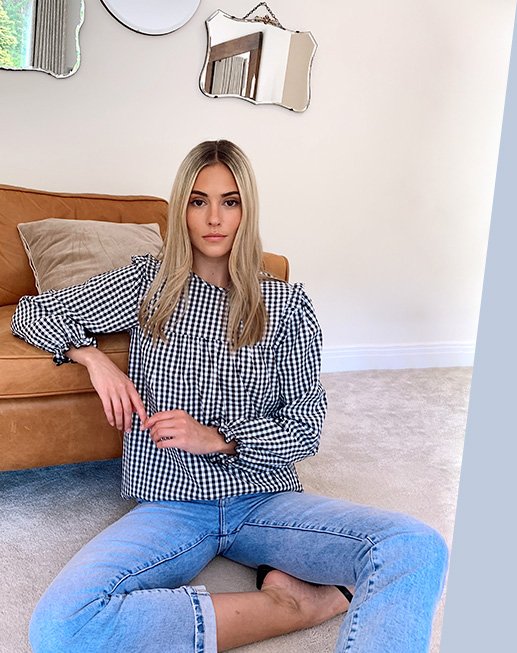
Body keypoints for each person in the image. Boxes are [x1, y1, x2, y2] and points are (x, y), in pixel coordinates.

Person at [12, 140, 448, 653]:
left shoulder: (285, 305)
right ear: (182, 210)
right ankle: (291, 605)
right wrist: (93, 357)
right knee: (61, 628)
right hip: (172, 505)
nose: (214, 218)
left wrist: (220, 437)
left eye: (230, 201)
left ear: (248, 210)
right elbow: (32, 313)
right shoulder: (147, 286)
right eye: (198, 201)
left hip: (264, 499)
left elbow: (307, 425)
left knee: (417, 547)